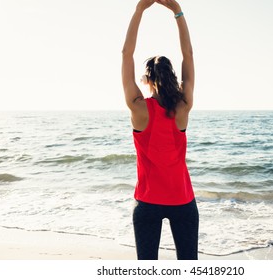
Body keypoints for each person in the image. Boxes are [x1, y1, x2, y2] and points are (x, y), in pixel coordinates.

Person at [121, 0, 198, 260]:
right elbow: (188, 54)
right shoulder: (183, 106)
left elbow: (126, 55)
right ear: (172, 76)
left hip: (147, 203)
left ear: (147, 79)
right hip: (182, 200)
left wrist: (139, 10)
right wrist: (177, 11)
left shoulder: (138, 108)